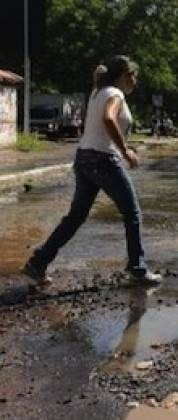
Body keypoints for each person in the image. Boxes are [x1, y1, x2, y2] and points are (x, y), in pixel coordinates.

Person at [22, 55, 162, 289]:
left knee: (75, 217)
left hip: (84, 157)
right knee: (132, 213)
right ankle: (137, 269)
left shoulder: (98, 92)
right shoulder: (115, 94)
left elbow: (101, 127)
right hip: (102, 160)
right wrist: (125, 150)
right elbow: (108, 119)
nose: (135, 81)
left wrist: (124, 145)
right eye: (133, 76)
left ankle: (38, 262)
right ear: (123, 75)